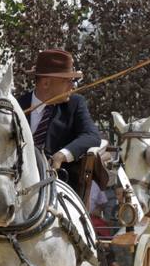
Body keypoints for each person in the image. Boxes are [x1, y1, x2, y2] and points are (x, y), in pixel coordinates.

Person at [14, 48, 102, 189]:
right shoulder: (17, 107)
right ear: (46, 83)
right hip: (16, 186)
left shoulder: (75, 104)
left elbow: (92, 136)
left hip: (59, 187)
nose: (73, 86)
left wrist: (61, 155)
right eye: (68, 80)